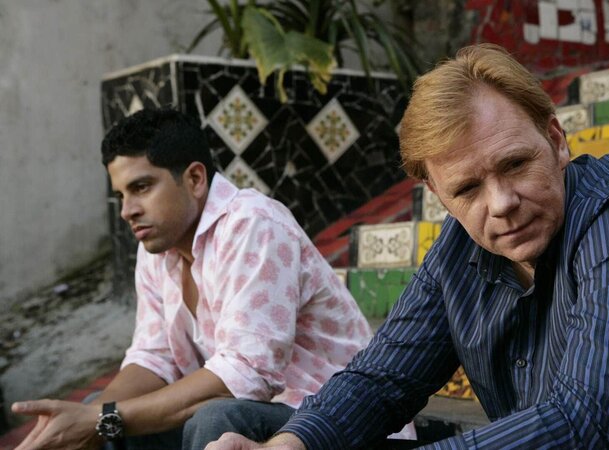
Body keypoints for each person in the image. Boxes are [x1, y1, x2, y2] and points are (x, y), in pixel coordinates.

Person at [207, 44, 609, 449]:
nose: (501, 203)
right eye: (467, 188)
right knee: (234, 425)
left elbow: (585, 424)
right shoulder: (461, 250)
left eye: (515, 164)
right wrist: (293, 443)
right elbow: (381, 380)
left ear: (556, 140)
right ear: (438, 194)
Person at [10, 108, 378, 450]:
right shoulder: (156, 248)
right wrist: (88, 417)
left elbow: (246, 375)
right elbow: (154, 358)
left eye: (141, 187)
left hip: (332, 415)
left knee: (216, 418)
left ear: (195, 179)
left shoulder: (253, 224)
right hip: (259, 411)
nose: (127, 211)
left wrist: (104, 418)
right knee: (102, 411)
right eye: (121, 195)